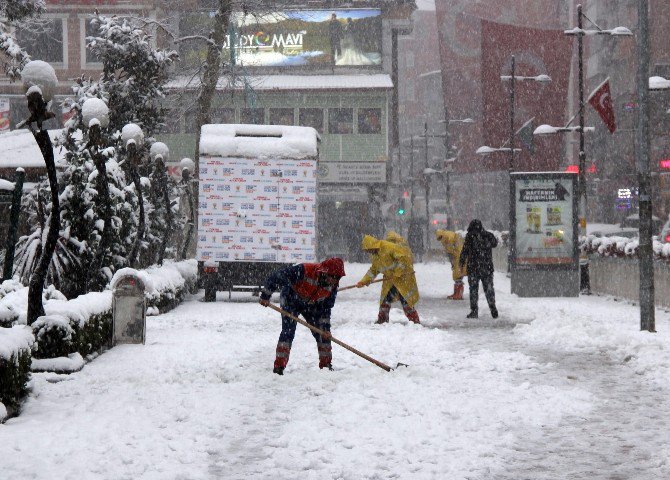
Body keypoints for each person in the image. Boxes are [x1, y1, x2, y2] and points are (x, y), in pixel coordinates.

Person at [259, 258, 346, 375]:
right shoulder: (305, 270)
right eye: (333, 277)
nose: (335, 281)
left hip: (312, 305)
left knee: (323, 335)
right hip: (291, 300)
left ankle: (326, 366)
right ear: (325, 272)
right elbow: (276, 277)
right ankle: (279, 367)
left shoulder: (333, 287)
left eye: (338, 278)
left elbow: (326, 309)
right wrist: (266, 295)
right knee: (288, 332)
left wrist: (326, 329)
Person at [357, 235, 420, 325]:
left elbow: (402, 259)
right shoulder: (375, 255)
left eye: (369, 250)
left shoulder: (388, 247)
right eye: (367, 251)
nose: (369, 252)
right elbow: (373, 270)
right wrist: (364, 281)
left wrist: (398, 273)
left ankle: (415, 321)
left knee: (406, 301)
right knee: (385, 299)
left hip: (402, 278)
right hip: (389, 280)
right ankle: (382, 320)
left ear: (373, 246)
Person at [459, 219, 498, 319]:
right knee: (489, 289)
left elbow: (465, 250)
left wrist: (461, 263)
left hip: (473, 268)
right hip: (487, 268)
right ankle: (493, 308)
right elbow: (495, 243)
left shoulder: (470, 236)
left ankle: (474, 311)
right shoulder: (488, 235)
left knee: (473, 290)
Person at [435, 229, 467, 300]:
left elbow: (450, 249)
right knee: (457, 273)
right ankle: (457, 293)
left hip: (458, 255)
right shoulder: (448, 235)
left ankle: (458, 294)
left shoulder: (446, 237)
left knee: (457, 274)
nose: (440, 240)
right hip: (458, 255)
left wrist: (451, 256)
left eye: (440, 238)